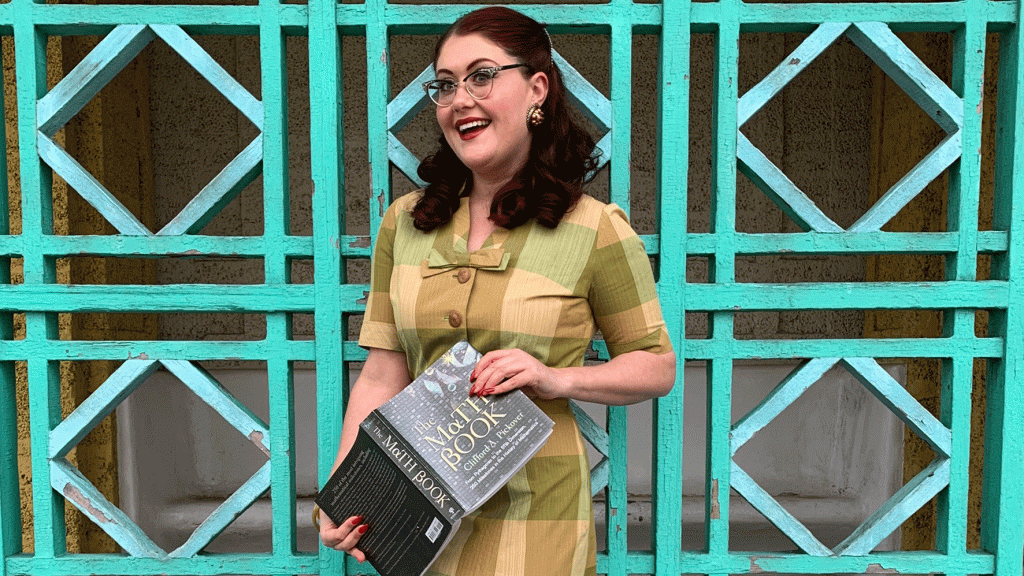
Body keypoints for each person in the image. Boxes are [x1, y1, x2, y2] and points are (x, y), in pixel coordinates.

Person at [317, 6, 676, 575]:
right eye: (445, 85)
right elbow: (385, 371)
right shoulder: (405, 223)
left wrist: (557, 377)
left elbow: (656, 366)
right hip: (420, 520)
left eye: (482, 76)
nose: (460, 99)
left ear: (537, 89)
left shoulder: (594, 228)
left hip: (539, 521)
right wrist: (346, 489)